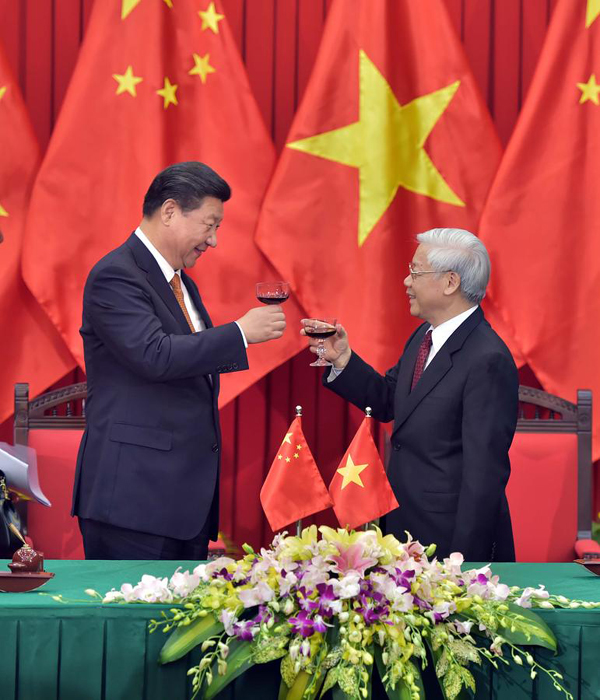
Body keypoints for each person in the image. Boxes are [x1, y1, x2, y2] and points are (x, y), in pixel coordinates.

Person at [72, 161, 286, 560]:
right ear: (170, 211)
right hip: (134, 503)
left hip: (182, 504)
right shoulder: (115, 275)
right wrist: (240, 333)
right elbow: (154, 355)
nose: (214, 240)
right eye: (209, 225)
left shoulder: (181, 282)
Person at [306, 228, 518, 561]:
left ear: (450, 282)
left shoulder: (487, 359)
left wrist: (465, 562)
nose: (406, 282)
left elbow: (484, 475)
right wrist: (342, 359)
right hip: (404, 529)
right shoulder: (424, 337)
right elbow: (389, 400)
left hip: (449, 542)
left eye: (416, 272)